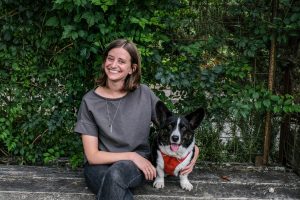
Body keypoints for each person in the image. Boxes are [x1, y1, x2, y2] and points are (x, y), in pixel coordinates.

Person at [74, 39, 199, 200]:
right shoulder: (89, 101)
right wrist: (131, 155)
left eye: (121, 61)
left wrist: (194, 155)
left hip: (135, 166)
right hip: (99, 166)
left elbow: (172, 126)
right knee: (114, 184)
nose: (113, 64)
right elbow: (92, 156)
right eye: (110, 58)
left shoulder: (144, 95)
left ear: (132, 69)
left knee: (116, 174)